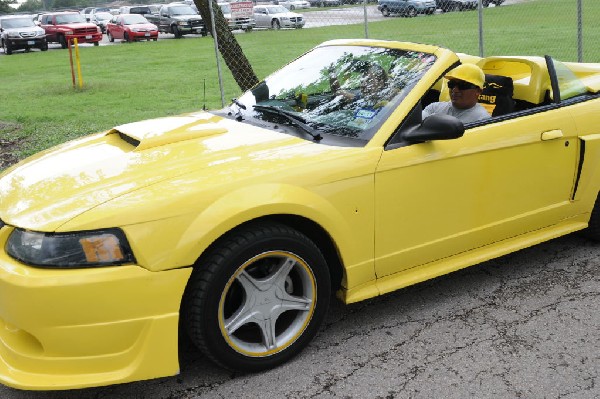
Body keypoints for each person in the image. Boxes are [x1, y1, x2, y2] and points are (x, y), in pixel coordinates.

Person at [422, 63, 491, 124]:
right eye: (452, 84)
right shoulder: (434, 108)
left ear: (478, 91)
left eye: (462, 85)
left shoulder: (482, 120)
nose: (455, 90)